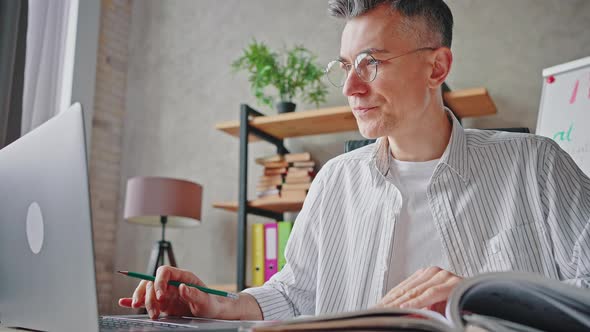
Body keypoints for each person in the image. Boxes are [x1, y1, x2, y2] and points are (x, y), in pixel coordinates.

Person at [119, 0, 590, 321]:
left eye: (372, 62)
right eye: (346, 66)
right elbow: (293, 294)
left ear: (437, 67)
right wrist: (217, 306)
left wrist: (483, 297)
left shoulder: (537, 166)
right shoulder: (334, 181)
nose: (350, 88)